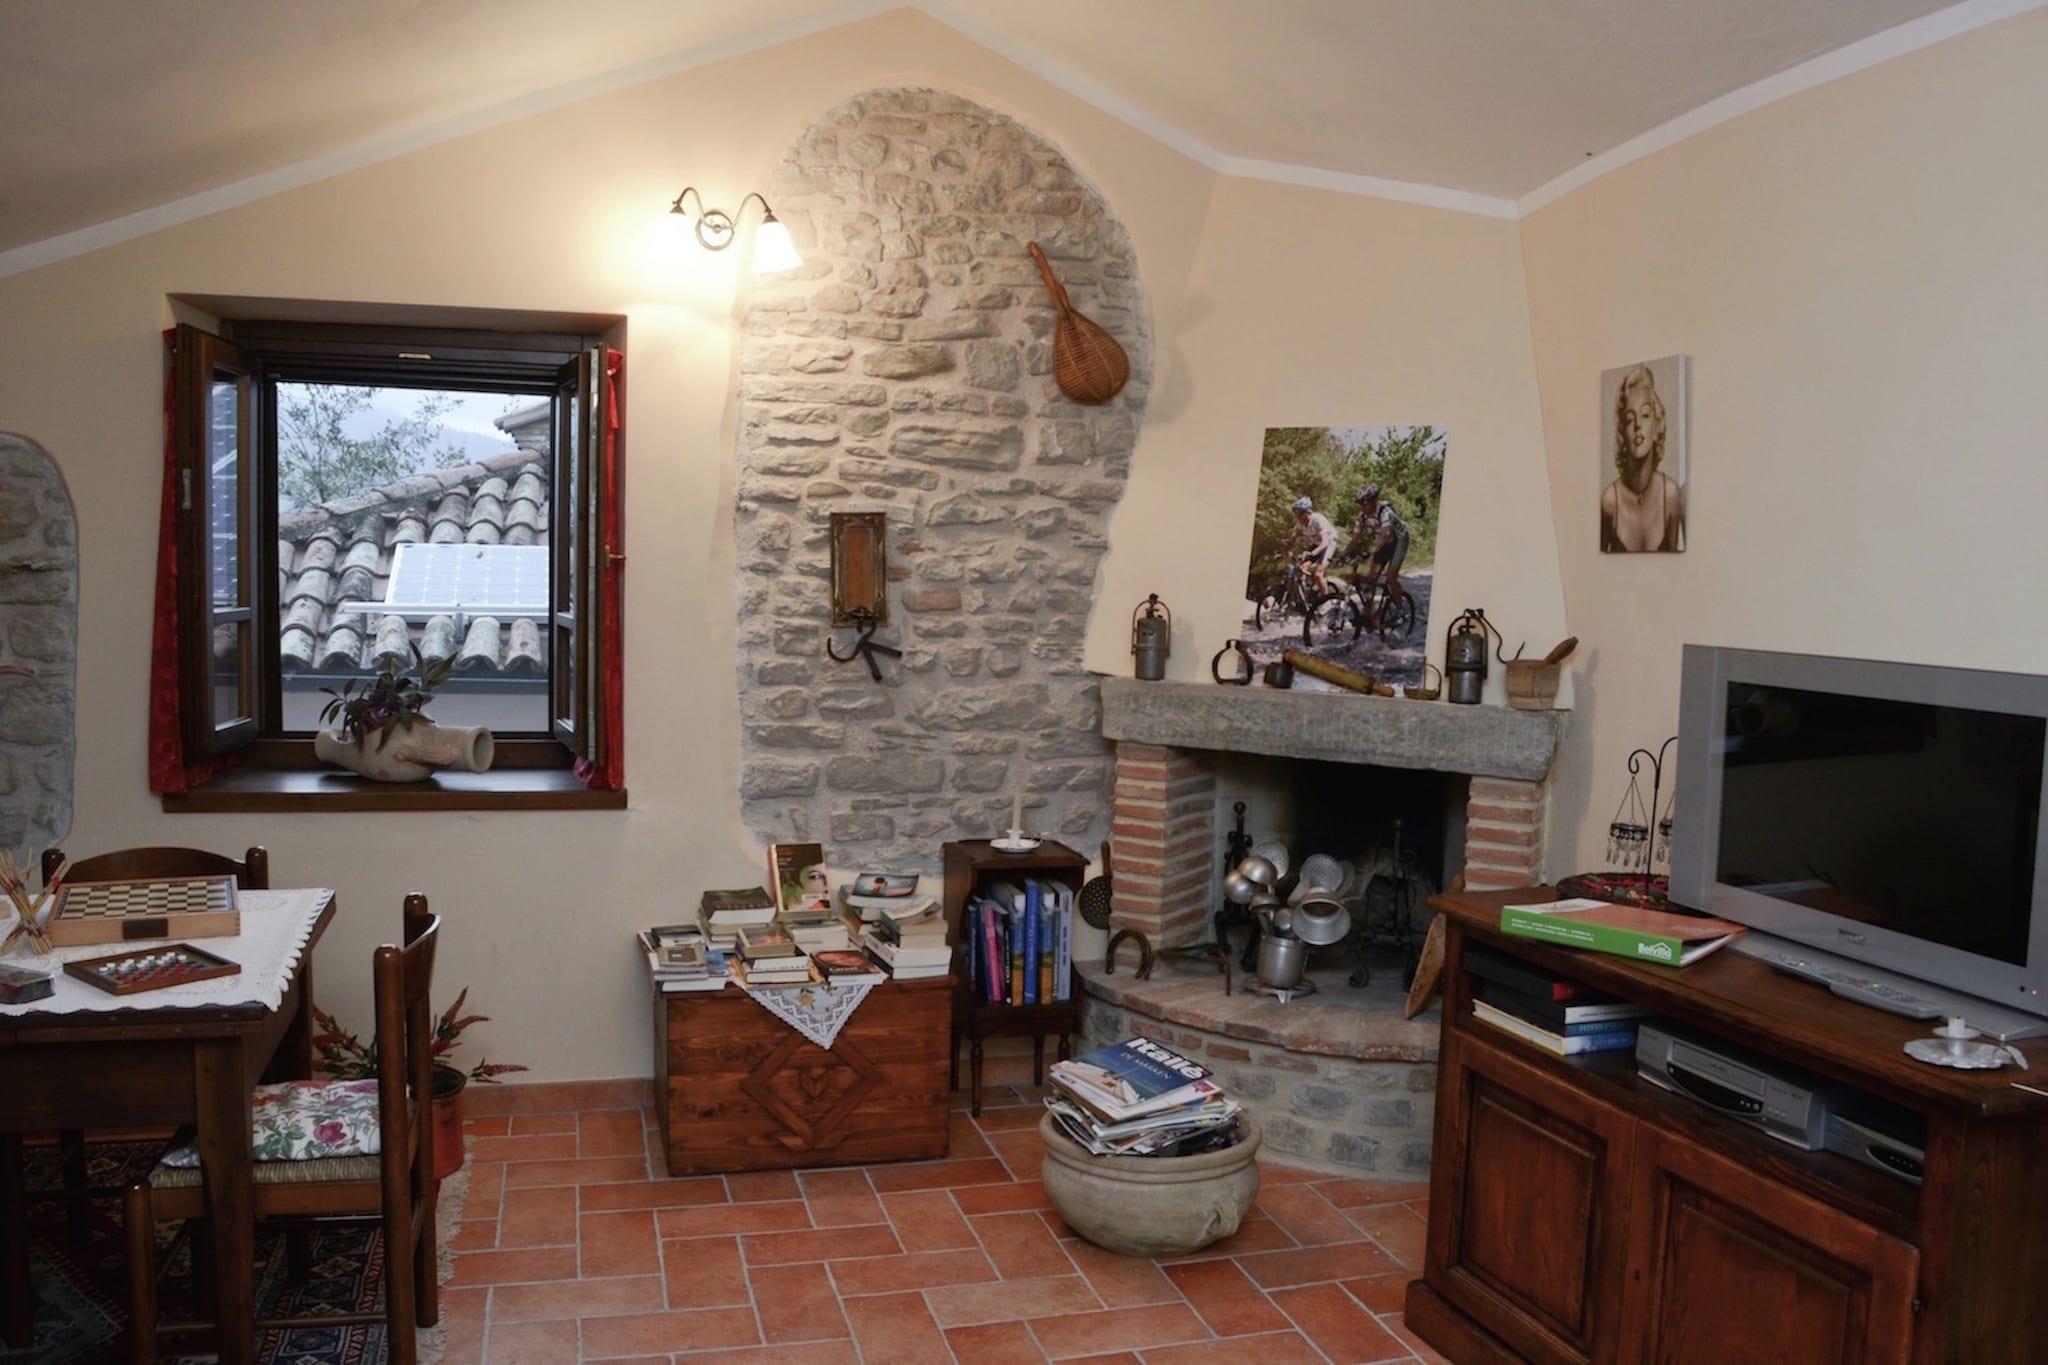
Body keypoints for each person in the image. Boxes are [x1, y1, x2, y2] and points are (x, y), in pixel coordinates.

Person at [1601, 363, 1685, 552]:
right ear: (1623, 434)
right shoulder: (1609, 502)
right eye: (1629, 419)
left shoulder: (1671, 495)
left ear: (1657, 426)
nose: (1637, 424)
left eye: (1645, 415)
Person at [1345, 484, 1410, 630]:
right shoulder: (1362, 517)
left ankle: (1400, 609)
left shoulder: (1385, 512)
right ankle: (1369, 615)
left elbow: (1386, 534)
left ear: (1374, 500)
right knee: (1371, 578)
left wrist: (1368, 553)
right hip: (1384, 543)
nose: (1362, 507)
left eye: (1364, 503)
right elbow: (1354, 540)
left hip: (1399, 540)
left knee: (1391, 576)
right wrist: (1342, 555)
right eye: (1360, 503)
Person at [1289, 496, 1338, 595]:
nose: (1297, 517)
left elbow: (1325, 543)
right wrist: (1283, 550)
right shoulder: (1300, 524)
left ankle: (1326, 600)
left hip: (1329, 542)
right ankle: (1308, 592)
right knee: (1301, 568)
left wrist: (1311, 553)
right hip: (1316, 543)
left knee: (1318, 574)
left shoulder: (1318, 520)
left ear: (1307, 512)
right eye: (1296, 514)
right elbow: (1291, 540)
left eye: (1299, 514)